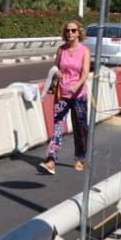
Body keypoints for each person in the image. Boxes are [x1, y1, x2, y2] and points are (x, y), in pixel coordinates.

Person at [42, 19, 90, 175]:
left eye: (74, 30)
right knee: (57, 127)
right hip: (62, 94)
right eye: (68, 30)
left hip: (79, 96)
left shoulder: (84, 51)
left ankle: (80, 159)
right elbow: (56, 68)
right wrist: (56, 76)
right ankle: (51, 160)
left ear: (79, 33)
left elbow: (85, 74)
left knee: (80, 128)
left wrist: (76, 86)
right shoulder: (61, 50)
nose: (70, 33)